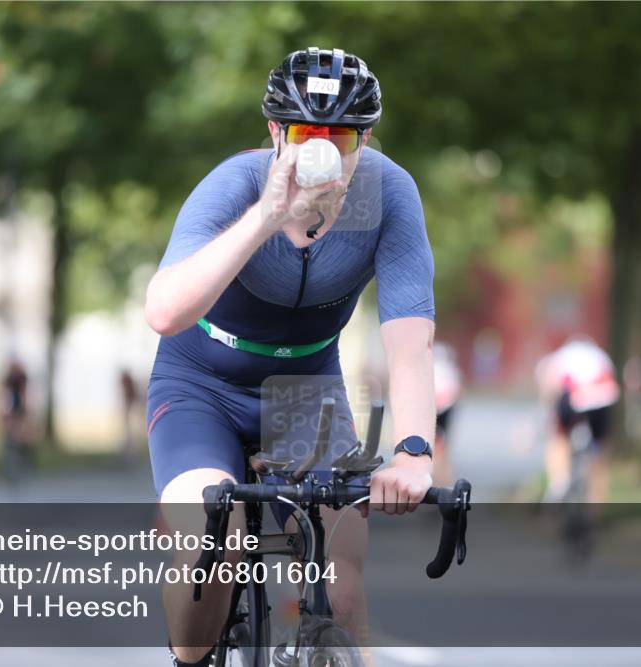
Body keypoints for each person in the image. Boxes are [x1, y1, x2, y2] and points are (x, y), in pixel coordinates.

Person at [144, 47, 438, 666]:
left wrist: (414, 451)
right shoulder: (238, 183)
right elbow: (165, 312)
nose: (323, 148)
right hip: (203, 383)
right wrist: (266, 217)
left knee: (344, 584)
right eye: (306, 133)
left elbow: (410, 343)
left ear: (365, 139)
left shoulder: (387, 195)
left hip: (305, 389)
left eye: (341, 135)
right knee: (209, 538)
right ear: (276, 132)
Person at [534, 335, 620, 505]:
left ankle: (559, 480)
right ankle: (596, 502)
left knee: (559, 436)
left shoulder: (561, 356)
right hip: (603, 397)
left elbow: (550, 385)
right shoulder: (601, 355)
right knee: (600, 449)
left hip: (575, 395)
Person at [432, 342, 462, 489]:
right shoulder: (446, 369)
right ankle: (441, 475)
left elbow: (455, 390)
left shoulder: (444, 369)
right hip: (441, 407)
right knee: (441, 444)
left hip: (443, 407)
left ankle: (442, 475)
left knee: (440, 444)